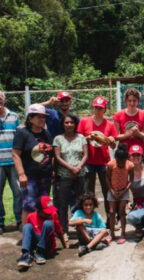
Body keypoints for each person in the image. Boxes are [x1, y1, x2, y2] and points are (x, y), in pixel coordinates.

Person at [77, 96, 117, 225]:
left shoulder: (109, 125)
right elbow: (78, 140)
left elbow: (113, 145)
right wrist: (87, 138)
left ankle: (110, 219)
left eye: (100, 108)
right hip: (89, 161)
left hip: (104, 162)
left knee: (107, 191)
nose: (98, 110)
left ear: (105, 109)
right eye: (96, 107)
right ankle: (90, 220)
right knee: (88, 193)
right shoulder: (84, 122)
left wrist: (110, 141)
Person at [13, 104, 53, 226]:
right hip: (29, 176)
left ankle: (43, 232)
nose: (42, 119)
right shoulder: (22, 133)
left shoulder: (46, 134)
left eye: (43, 117)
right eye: (38, 117)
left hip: (45, 176)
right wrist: (21, 174)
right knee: (29, 205)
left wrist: (53, 171)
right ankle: (27, 235)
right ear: (30, 118)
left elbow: (50, 154)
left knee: (45, 204)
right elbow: (15, 154)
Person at [53, 114, 88, 237]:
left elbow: (85, 154)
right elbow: (57, 156)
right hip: (64, 176)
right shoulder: (58, 139)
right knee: (63, 204)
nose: (69, 125)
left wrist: (78, 168)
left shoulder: (81, 137)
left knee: (80, 202)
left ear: (75, 124)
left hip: (80, 174)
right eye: (66, 122)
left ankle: (81, 228)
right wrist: (71, 168)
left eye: (71, 122)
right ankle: (64, 230)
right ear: (62, 124)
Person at [17, 196, 68, 268]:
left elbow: (59, 231)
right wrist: (25, 247)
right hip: (35, 243)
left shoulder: (53, 214)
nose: (49, 213)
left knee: (48, 223)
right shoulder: (31, 216)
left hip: (47, 246)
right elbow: (27, 233)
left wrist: (65, 245)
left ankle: (40, 252)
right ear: (39, 210)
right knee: (27, 226)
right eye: (47, 211)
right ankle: (26, 255)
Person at [0, 91, 22, 234]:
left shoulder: (14, 116)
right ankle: (0, 222)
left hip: (14, 161)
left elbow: (20, 137)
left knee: (18, 192)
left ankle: (20, 220)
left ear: (4, 100)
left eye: (0, 98)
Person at [105, 144, 134, 244]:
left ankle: (123, 233)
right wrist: (112, 191)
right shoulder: (111, 164)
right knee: (112, 211)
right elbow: (107, 178)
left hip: (124, 191)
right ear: (115, 158)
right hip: (112, 190)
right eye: (119, 162)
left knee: (122, 212)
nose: (120, 164)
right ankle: (112, 233)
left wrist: (124, 191)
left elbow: (131, 180)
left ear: (126, 159)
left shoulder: (130, 165)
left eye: (122, 162)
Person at [113, 88, 144, 162]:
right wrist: (128, 134)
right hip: (124, 151)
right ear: (126, 101)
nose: (132, 103)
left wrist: (138, 133)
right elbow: (116, 136)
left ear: (138, 101)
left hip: (140, 150)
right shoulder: (118, 115)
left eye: (134, 100)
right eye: (129, 100)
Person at [69, 192, 109, 257]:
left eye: (90, 205)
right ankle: (93, 243)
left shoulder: (96, 215)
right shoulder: (78, 212)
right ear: (82, 205)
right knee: (79, 221)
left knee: (104, 231)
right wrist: (84, 220)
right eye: (86, 205)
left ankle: (87, 247)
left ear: (94, 205)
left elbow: (103, 229)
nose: (88, 207)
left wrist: (105, 233)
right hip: (84, 235)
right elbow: (70, 223)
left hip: (94, 235)